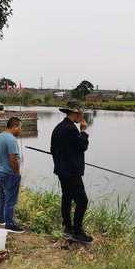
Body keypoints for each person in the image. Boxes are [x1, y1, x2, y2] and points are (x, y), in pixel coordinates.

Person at [51, 101, 93, 243]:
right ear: (75, 113)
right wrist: (84, 131)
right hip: (71, 172)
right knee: (82, 201)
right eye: (81, 114)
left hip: (62, 171)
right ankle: (77, 231)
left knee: (67, 198)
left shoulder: (58, 128)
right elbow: (82, 146)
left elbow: (53, 150)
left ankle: (68, 227)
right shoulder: (71, 129)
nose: (81, 117)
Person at [0, 117, 24, 233]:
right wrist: (17, 173)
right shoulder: (11, 139)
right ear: (15, 126)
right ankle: (10, 224)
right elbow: (12, 158)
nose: (20, 131)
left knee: (2, 197)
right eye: (20, 128)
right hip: (9, 174)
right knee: (11, 200)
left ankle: (2, 220)